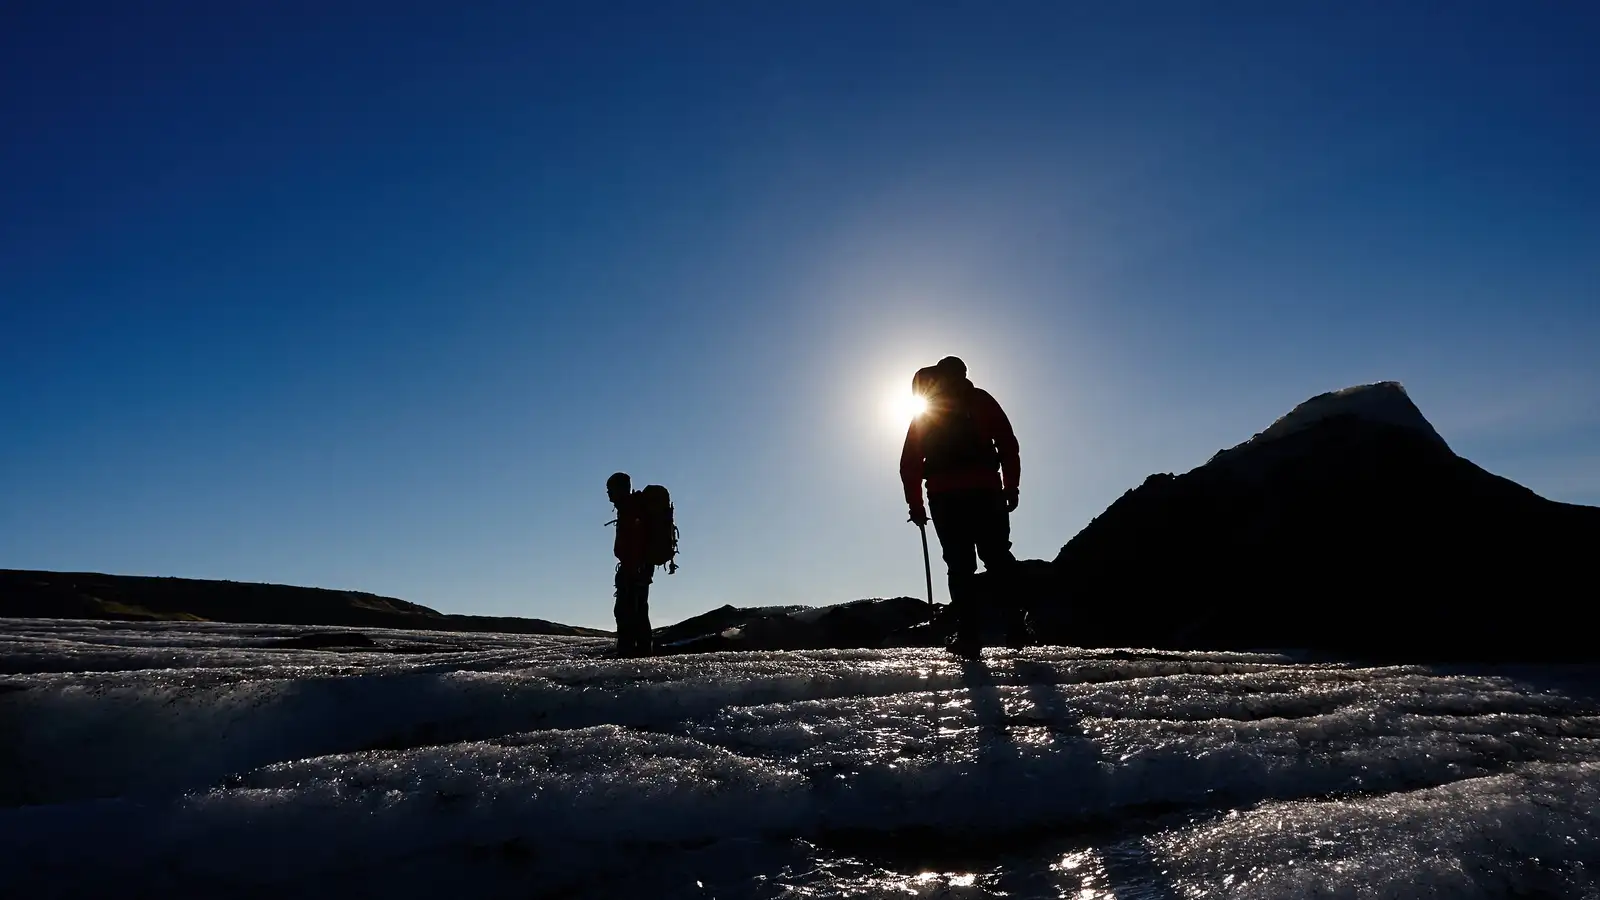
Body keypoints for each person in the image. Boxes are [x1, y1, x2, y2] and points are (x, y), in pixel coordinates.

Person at [899, 356, 1027, 659]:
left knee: (960, 567)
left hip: (945, 498)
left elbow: (909, 463)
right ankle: (1015, 627)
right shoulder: (981, 400)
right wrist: (1011, 486)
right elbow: (1008, 444)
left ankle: (969, 637)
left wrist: (916, 506)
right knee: (998, 558)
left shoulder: (927, 410)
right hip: (986, 493)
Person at [606, 471, 655, 657]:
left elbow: (636, 542)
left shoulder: (631, 509)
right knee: (637, 611)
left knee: (627, 612)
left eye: (610, 490)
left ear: (620, 489)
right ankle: (640, 653)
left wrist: (635, 568)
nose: (609, 495)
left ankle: (630, 654)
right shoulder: (630, 508)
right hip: (638, 569)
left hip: (634, 570)